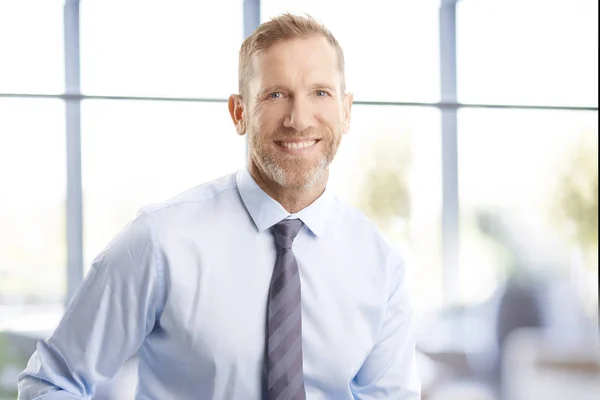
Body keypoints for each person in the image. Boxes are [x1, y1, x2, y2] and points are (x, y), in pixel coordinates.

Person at [18, 13, 420, 399]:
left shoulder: (381, 268)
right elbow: (51, 383)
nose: (298, 119)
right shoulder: (161, 241)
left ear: (346, 111)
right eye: (276, 94)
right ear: (239, 112)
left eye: (320, 93)